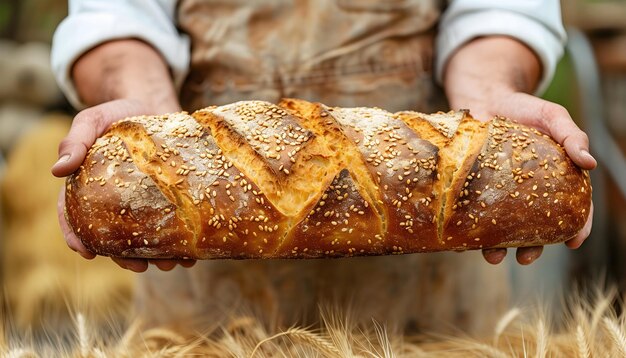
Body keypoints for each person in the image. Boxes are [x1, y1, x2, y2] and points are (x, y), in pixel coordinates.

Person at [50, 0, 595, 333]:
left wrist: (488, 94)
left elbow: (501, 7)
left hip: (431, 305)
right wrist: (145, 113)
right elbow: (114, 13)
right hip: (204, 304)